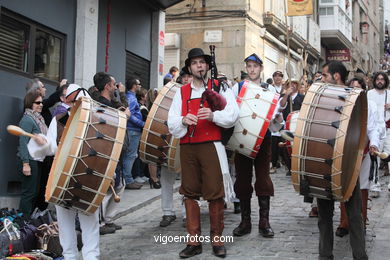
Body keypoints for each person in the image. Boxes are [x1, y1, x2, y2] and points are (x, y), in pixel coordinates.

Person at [168, 48, 239, 258]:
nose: (199, 66)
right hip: (188, 146)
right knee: (189, 193)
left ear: (207, 66)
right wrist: (182, 120)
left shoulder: (220, 87)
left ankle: (217, 240)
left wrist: (213, 115)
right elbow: (171, 120)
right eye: (195, 63)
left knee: (214, 193)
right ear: (189, 68)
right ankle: (193, 241)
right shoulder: (181, 92)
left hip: (211, 145)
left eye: (202, 62)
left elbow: (233, 114)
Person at [318, 61, 368, 260]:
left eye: (325, 75)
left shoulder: (352, 97)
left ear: (336, 76)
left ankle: (360, 255)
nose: (322, 78)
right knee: (324, 216)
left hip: (347, 163)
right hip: (323, 159)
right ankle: (325, 255)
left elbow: (360, 128)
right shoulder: (320, 97)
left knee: (354, 215)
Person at [231, 54, 284, 239]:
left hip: (263, 139)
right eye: (249, 66)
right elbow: (230, 112)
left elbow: (275, 116)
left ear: (261, 68)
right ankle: (245, 222)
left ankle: (264, 222)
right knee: (243, 179)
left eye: (255, 66)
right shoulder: (237, 88)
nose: (252, 69)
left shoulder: (269, 89)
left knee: (263, 178)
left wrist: (278, 118)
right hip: (242, 138)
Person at [335, 76, 380, 237]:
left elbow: (373, 128)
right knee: (344, 186)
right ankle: (344, 223)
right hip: (345, 151)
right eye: (352, 87)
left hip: (364, 151)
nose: (355, 90)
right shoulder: (342, 103)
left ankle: (360, 222)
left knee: (362, 187)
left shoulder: (371, 105)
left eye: (358, 87)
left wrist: (374, 143)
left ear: (363, 89)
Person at [17, 89, 47, 217]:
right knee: (29, 193)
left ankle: (28, 222)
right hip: (30, 160)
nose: (41, 104)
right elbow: (22, 143)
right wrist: (25, 164)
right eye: (37, 102)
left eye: (41, 102)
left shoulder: (37, 119)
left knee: (34, 192)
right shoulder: (27, 120)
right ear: (30, 103)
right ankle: (23, 223)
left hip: (37, 160)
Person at [367, 72, 390, 194]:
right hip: (375, 130)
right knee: (375, 157)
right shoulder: (369, 94)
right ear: (374, 81)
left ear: (385, 81)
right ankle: (375, 185)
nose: (380, 81)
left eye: (382, 79)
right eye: (378, 79)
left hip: (388, 129)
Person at [123, 77, 145, 189]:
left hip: (132, 130)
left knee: (129, 155)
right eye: (138, 84)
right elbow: (129, 115)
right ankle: (128, 180)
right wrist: (142, 124)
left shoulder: (130, 97)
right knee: (130, 156)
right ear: (134, 86)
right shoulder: (131, 98)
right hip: (132, 130)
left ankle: (127, 179)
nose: (140, 86)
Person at [270, 71, 284, 174]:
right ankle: (273, 164)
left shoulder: (285, 89)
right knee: (273, 145)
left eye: (280, 76)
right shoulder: (271, 89)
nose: (278, 78)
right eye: (276, 76)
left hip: (283, 119)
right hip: (274, 118)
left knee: (283, 143)